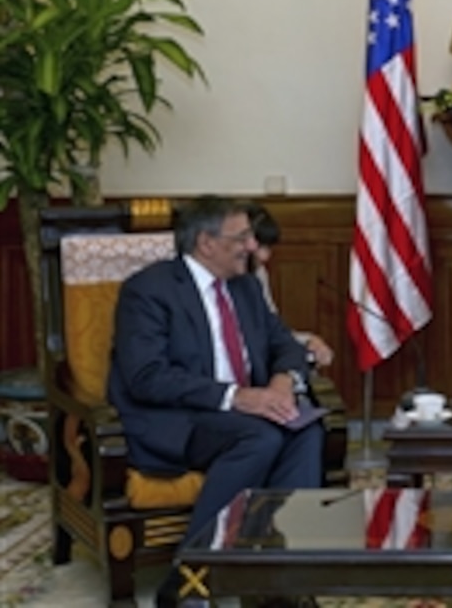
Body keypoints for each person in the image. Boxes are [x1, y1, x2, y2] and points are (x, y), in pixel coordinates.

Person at [106, 195, 323, 607]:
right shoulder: (148, 291)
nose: (252, 246)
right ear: (206, 243)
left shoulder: (244, 286)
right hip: (178, 418)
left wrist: (281, 381)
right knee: (260, 437)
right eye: (241, 237)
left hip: (240, 415)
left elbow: (285, 344)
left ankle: (280, 578)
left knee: (305, 428)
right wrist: (236, 397)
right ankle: (190, 578)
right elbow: (146, 377)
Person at [244, 203, 334, 367]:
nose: (265, 257)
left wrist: (307, 341)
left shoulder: (259, 274)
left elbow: (272, 330)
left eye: (269, 248)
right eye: (260, 246)